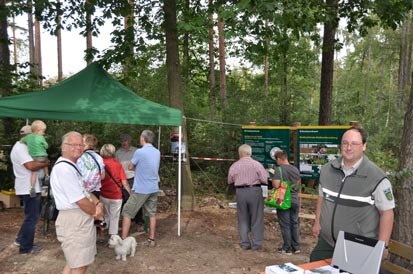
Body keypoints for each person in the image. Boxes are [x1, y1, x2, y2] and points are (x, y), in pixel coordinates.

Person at [310, 127, 395, 262]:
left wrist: (383, 246)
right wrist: (317, 221)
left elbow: (387, 213)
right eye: (345, 143)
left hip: (358, 246)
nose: (349, 147)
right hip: (326, 242)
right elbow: (322, 197)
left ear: (364, 146)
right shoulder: (327, 169)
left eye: (354, 143)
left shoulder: (377, 177)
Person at [50, 131, 104, 274]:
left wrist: (98, 203)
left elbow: (84, 190)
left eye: (80, 144)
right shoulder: (64, 169)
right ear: (63, 147)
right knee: (79, 266)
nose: (78, 147)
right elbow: (79, 200)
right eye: (73, 144)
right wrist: (96, 212)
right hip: (74, 220)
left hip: (77, 219)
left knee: (74, 262)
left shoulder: (71, 166)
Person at [10, 125, 50, 254]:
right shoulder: (21, 148)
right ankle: (26, 247)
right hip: (28, 188)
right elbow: (31, 166)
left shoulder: (21, 147)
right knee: (31, 218)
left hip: (27, 187)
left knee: (30, 216)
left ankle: (21, 240)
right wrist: (46, 163)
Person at [121, 129, 160, 246]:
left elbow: (130, 166)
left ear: (143, 138)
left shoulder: (139, 152)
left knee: (127, 212)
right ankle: (151, 239)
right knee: (152, 214)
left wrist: (132, 167)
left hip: (141, 188)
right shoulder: (157, 152)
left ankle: (123, 240)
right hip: (153, 187)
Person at [228, 144, 269, 251]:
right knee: (257, 217)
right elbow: (265, 179)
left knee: (242, 218)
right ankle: (257, 244)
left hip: (240, 192)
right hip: (254, 191)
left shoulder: (234, 165)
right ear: (249, 153)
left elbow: (230, 180)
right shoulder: (257, 165)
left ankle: (245, 243)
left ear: (240, 153)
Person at [271, 149, 301, 255]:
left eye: (276, 160)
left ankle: (287, 248)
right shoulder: (295, 169)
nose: (276, 162)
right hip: (294, 199)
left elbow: (276, 185)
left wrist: (272, 177)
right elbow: (298, 185)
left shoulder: (279, 170)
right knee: (294, 223)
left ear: (280, 159)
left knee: (285, 224)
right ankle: (296, 247)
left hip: (283, 200)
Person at [100, 144, 131, 237]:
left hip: (103, 194)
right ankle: (112, 238)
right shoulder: (117, 164)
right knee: (114, 217)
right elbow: (124, 182)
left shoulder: (100, 163)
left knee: (104, 215)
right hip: (116, 195)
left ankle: (102, 233)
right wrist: (129, 193)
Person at [115, 133, 144, 230]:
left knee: (136, 200)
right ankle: (128, 221)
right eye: (122, 141)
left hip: (135, 178)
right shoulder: (118, 152)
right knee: (125, 201)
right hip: (123, 179)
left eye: (125, 141)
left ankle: (139, 221)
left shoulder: (136, 151)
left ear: (129, 141)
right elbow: (116, 166)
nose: (123, 143)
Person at [21, 120, 49, 198]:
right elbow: (46, 146)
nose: (43, 133)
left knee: (34, 173)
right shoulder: (41, 137)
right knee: (46, 163)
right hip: (42, 156)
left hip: (33, 158)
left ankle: (32, 187)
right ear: (39, 131)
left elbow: (21, 141)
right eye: (43, 131)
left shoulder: (28, 137)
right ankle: (47, 175)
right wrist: (44, 146)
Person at [77, 134, 105, 198]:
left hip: (81, 192)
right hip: (95, 192)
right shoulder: (99, 158)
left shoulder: (79, 157)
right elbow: (103, 176)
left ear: (86, 145)